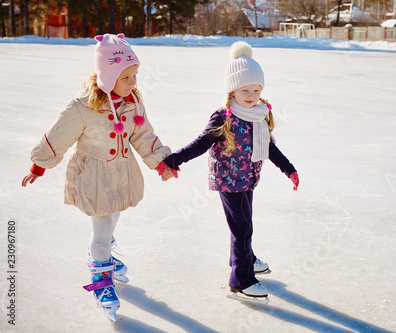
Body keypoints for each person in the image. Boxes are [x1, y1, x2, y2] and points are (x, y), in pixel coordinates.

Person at [22, 33, 174, 322]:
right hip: (93, 175)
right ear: (108, 76)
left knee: (113, 217)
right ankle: (100, 280)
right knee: (102, 228)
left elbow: (144, 135)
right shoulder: (83, 106)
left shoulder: (132, 102)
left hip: (122, 171)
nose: (133, 82)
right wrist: (39, 166)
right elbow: (59, 135)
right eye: (126, 76)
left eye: (135, 74)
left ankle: (102, 256)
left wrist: (161, 162)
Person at [158, 41, 299, 300]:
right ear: (231, 89)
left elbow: (268, 147)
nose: (251, 94)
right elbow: (201, 143)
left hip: (248, 179)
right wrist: (174, 160)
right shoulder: (224, 117)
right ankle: (240, 280)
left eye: (256, 89)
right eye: (245, 89)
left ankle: (246, 257)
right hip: (229, 181)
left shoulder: (259, 114)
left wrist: (289, 169)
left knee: (243, 225)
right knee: (242, 228)